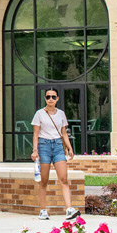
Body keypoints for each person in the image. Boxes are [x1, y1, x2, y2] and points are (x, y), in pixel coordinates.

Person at [31, 88, 79, 221]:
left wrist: (70, 148)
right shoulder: (39, 114)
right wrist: (35, 150)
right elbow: (35, 133)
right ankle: (43, 210)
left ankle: (69, 209)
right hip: (44, 145)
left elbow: (64, 133)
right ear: (45, 98)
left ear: (57, 99)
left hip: (58, 145)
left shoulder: (61, 114)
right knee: (44, 180)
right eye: (48, 97)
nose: (50, 99)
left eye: (53, 97)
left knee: (63, 178)